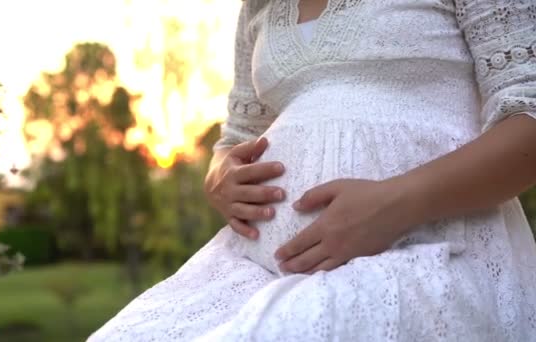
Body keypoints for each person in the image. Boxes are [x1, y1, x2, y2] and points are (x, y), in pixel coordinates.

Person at [89, 0, 536, 340]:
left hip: (431, 250)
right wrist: (219, 177)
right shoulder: (259, 7)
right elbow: (235, 137)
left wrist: (396, 204)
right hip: (253, 267)